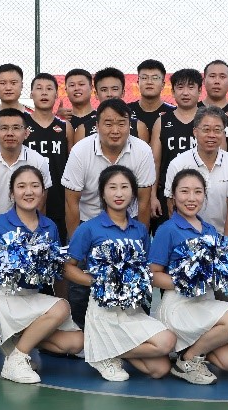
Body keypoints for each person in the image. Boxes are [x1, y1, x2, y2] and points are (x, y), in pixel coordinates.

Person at [63, 165, 175, 381]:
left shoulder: (140, 230)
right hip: (103, 311)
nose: (118, 193)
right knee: (165, 343)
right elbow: (67, 267)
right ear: (102, 193)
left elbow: (145, 269)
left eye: (124, 187)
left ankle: (102, 350)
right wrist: (97, 281)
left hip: (132, 310)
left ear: (133, 193)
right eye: (112, 187)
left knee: (160, 368)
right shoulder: (89, 228)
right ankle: (101, 346)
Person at [0, 166, 84, 384]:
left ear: (43, 192)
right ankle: (17, 359)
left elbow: (57, 270)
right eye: (21, 186)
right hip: (5, 299)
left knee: (76, 342)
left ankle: (18, 345)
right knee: (61, 307)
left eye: (35, 186)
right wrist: (7, 274)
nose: (28, 191)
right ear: (12, 193)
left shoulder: (49, 226)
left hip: (32, 300)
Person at [148, 170, 228, 384]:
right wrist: (186, 282)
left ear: (205, 195)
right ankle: (188, 360)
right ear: (173, 196)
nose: (191, 198)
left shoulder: (210, 230)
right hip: (180, 305)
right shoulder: (168, 229)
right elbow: (153, 275)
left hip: (206, 304)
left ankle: (188, 349)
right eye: (184, 192)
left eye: (197, 192)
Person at [60, 98, 156, 326]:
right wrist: (79, 243)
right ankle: (82, 331)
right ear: (97, 125)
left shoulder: (142, 150)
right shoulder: (81, 150)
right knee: (82, 289)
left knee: (132, 284)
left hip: (126, 225)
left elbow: (143, 203)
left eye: (121, 123)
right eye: (108, 123)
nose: (115, 130)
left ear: (130, 125)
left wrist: (138, 241)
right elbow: (71, 203)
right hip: (87, 223)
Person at [162, 106, 228, 240]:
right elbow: (171, 207)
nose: (211, 135)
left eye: (217, 130)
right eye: (206, 129)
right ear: (195, 132)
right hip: (186, 238)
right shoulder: (178, 164)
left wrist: (223, 246)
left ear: (223, 133)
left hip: (220, 236)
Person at [0, 108, 51, 239]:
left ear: (26, 133)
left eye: (16, 128)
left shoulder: (38, 162)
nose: (10, 133)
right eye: (4, 128)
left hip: (27, 236)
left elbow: (40, 205)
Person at [23, 72, 74, 244]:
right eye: (39, 88)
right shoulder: (22, 125)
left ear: (56, 95)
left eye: (49, 89)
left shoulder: (65, 127)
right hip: (28, 196)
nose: (44, 93)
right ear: (31, 94)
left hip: (58, 199)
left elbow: (72, 164)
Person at [149, 67, 203, 227]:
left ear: (200, 90)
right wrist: (152, 196)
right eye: (180, 87)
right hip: (168, 193)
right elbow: (155, 162)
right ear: (172, 92)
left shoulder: (209, 120)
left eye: (191, 87)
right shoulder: (162, 122)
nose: (185, 92)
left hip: (200, 193)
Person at [93, 67, 148, 141]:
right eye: (104, 90)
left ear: (123, 93)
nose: (109, 94)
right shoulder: (84, 128)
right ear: (96, 94)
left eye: (114, 89)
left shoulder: (139, 127)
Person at [134, 59, 174, 132]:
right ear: (138, 83)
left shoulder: (174, 113)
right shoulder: (125, 111)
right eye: (144, 78)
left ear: (163, 84)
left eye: (155, 78)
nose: (149, 82)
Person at [64, 68, 96, 140]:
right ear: (66, 90)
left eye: (81, 84)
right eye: (72, 85)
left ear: (91, 88)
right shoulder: (61, 121)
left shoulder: (100, 119)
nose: (76, 88)